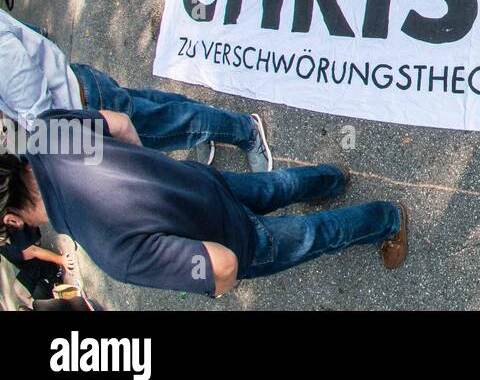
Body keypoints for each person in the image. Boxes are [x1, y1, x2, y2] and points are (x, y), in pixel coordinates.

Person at [0, 112, 408, 296]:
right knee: (271, 186)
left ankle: (387, 220)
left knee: (313, 235)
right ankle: (333, 178)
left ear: (10, 219)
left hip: (234, 239)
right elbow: (122, 125)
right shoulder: (47, 134)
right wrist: (154, 173)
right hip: (200, 182)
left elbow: (222, 265)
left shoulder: (109, 249)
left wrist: (217, 290)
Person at [0, 8, 272, 168]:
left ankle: (246, 130)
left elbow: (36, 104)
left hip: (83, 107)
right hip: (80, 91)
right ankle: (210, 128)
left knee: (172, 124)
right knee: (158, 107)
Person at [0, 222, 66, 303]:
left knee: (22, 291)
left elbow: (33, 251)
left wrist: (60, 260)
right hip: (31, 267)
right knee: (20, 292)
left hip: (43, 266)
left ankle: (55, 297)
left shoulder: (9, 239)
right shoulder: (4, 242)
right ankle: (39, 305)